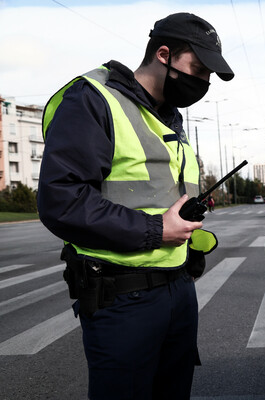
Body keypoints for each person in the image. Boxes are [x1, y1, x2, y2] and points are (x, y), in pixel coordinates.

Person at [37, 12, 233, 399]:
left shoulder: (170, 118)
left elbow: (160, 197)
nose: (203, 83)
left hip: (177, 292)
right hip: (122, 299)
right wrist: (157, 230)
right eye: (198, 68)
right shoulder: (94, 99)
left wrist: (188, 249)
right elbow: (62, 199)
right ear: (164, 54)